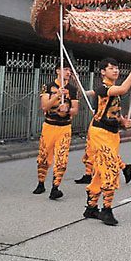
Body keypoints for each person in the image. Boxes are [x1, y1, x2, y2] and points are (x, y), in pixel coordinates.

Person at [83, 57, 131, 226]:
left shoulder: (112, 90)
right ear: (103, 72)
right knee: (111, 170)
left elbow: (115, 110)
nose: (115, 71)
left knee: (101, 171)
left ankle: (91, 207)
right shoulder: (103, 88)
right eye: (111, 68)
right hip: (100, 133)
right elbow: (123, 89)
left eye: (116, 68)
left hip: (112, 134)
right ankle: (106, 209)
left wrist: (123, 121)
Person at [34, 63, 79, 200]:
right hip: (49, 126)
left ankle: (55, 187)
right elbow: (44, 106)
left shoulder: (72, 89)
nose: (68, 72)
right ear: (57, 71)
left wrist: (68, 110)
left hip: (65, 127)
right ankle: (41, 182)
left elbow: (75, 110)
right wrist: (57, 95)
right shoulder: (47, 87)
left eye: (69, 70)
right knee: (43, 156)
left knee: (62, 158)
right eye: (65, 69)